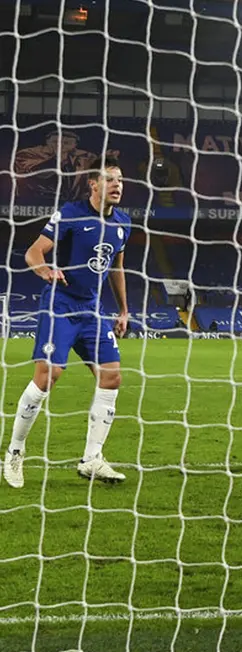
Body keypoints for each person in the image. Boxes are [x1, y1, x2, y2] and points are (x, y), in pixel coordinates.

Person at [5, 157, 131, 488]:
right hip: (60, 305)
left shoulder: (123, 223)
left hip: (92, 310)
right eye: (110, 179)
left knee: (112, 376)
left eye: (120, 180)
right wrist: (44, 269)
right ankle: (15, 452)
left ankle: (92, 459)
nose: (117, 185)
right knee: (49, 376)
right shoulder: (71, 214)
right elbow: (34, 252)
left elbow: (116, 268)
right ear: (93, 184)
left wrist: (123, 310)